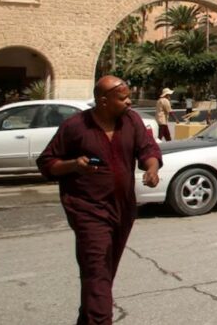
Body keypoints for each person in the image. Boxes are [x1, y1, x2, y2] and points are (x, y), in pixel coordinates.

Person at [36, 76, 162, 325]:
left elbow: (148, 149)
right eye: (123, 98)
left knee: (104, 273)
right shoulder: (75, 127)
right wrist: (74, 165)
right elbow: (47, 163)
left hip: (123, 208)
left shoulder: (131, 121)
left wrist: (152, 168)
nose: (129, 102)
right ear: (103, 101)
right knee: (97, 271)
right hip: (88, 210)